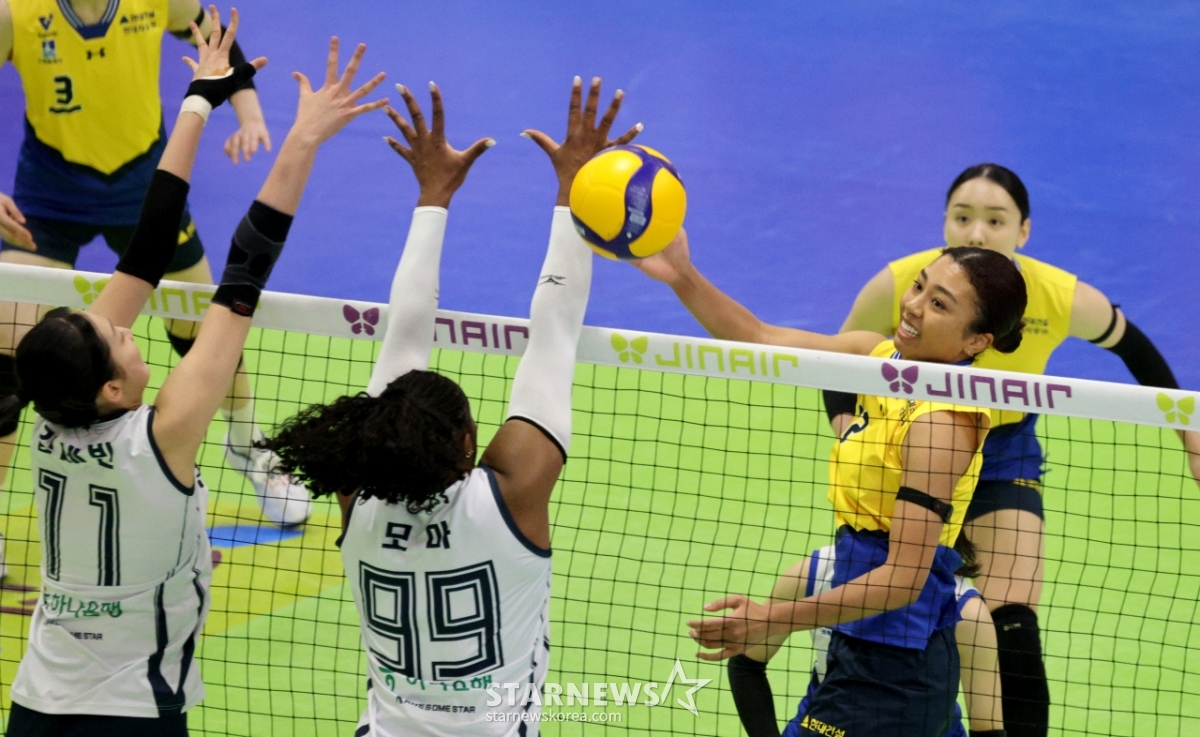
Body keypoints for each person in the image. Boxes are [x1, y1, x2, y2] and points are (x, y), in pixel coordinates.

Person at [0, 17, 386, 734]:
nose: (126, 326)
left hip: (37, 702)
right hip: (134, 713)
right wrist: (301, 140)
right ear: (112, 388)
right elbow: (243, 272)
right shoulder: (164, 437)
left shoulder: (53, 416)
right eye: (119, 337)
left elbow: (147, 247)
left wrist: (200, 99)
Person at [263, 76, 640, 736]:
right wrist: (574, 191)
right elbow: (555, 326)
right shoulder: (509, 497)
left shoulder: (359, 492)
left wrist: (433, 196)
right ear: (469, 444)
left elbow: (409, 337)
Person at [823, 163, 1200, 737]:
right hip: (912, 445)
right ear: (944, 222)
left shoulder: (1060, 295)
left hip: (1004, 452)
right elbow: (832, 361)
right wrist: (848, 426)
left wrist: (1191, 437)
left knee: (1012, 621)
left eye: (995, 221)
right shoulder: (906, 282)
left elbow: (1137, 350)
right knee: (900, 610)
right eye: (962, 217)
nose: (977, 232)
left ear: (1023, 230)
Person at [635, 236, 1026, 736]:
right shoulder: (878, 356)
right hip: (861, 643)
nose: (913, 306)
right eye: (919, 286)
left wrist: (771, 618)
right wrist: (682, 277)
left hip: (894, 667)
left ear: (976, 342)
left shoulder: (941, 424)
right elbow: (760, 337)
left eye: (939, 305)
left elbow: (903, 578)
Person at [0, 0, 311, 534]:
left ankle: (248, 446)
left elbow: (216, 39)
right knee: (4, 358)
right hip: (49, 199)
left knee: (205, 332)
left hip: (147, 189)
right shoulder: (14, 15)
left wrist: (250, 112)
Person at [727, 535, 1003, 737]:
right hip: (826, 728)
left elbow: (988, 729)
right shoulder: (815, 573)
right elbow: (746, 664)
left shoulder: (965, 610)